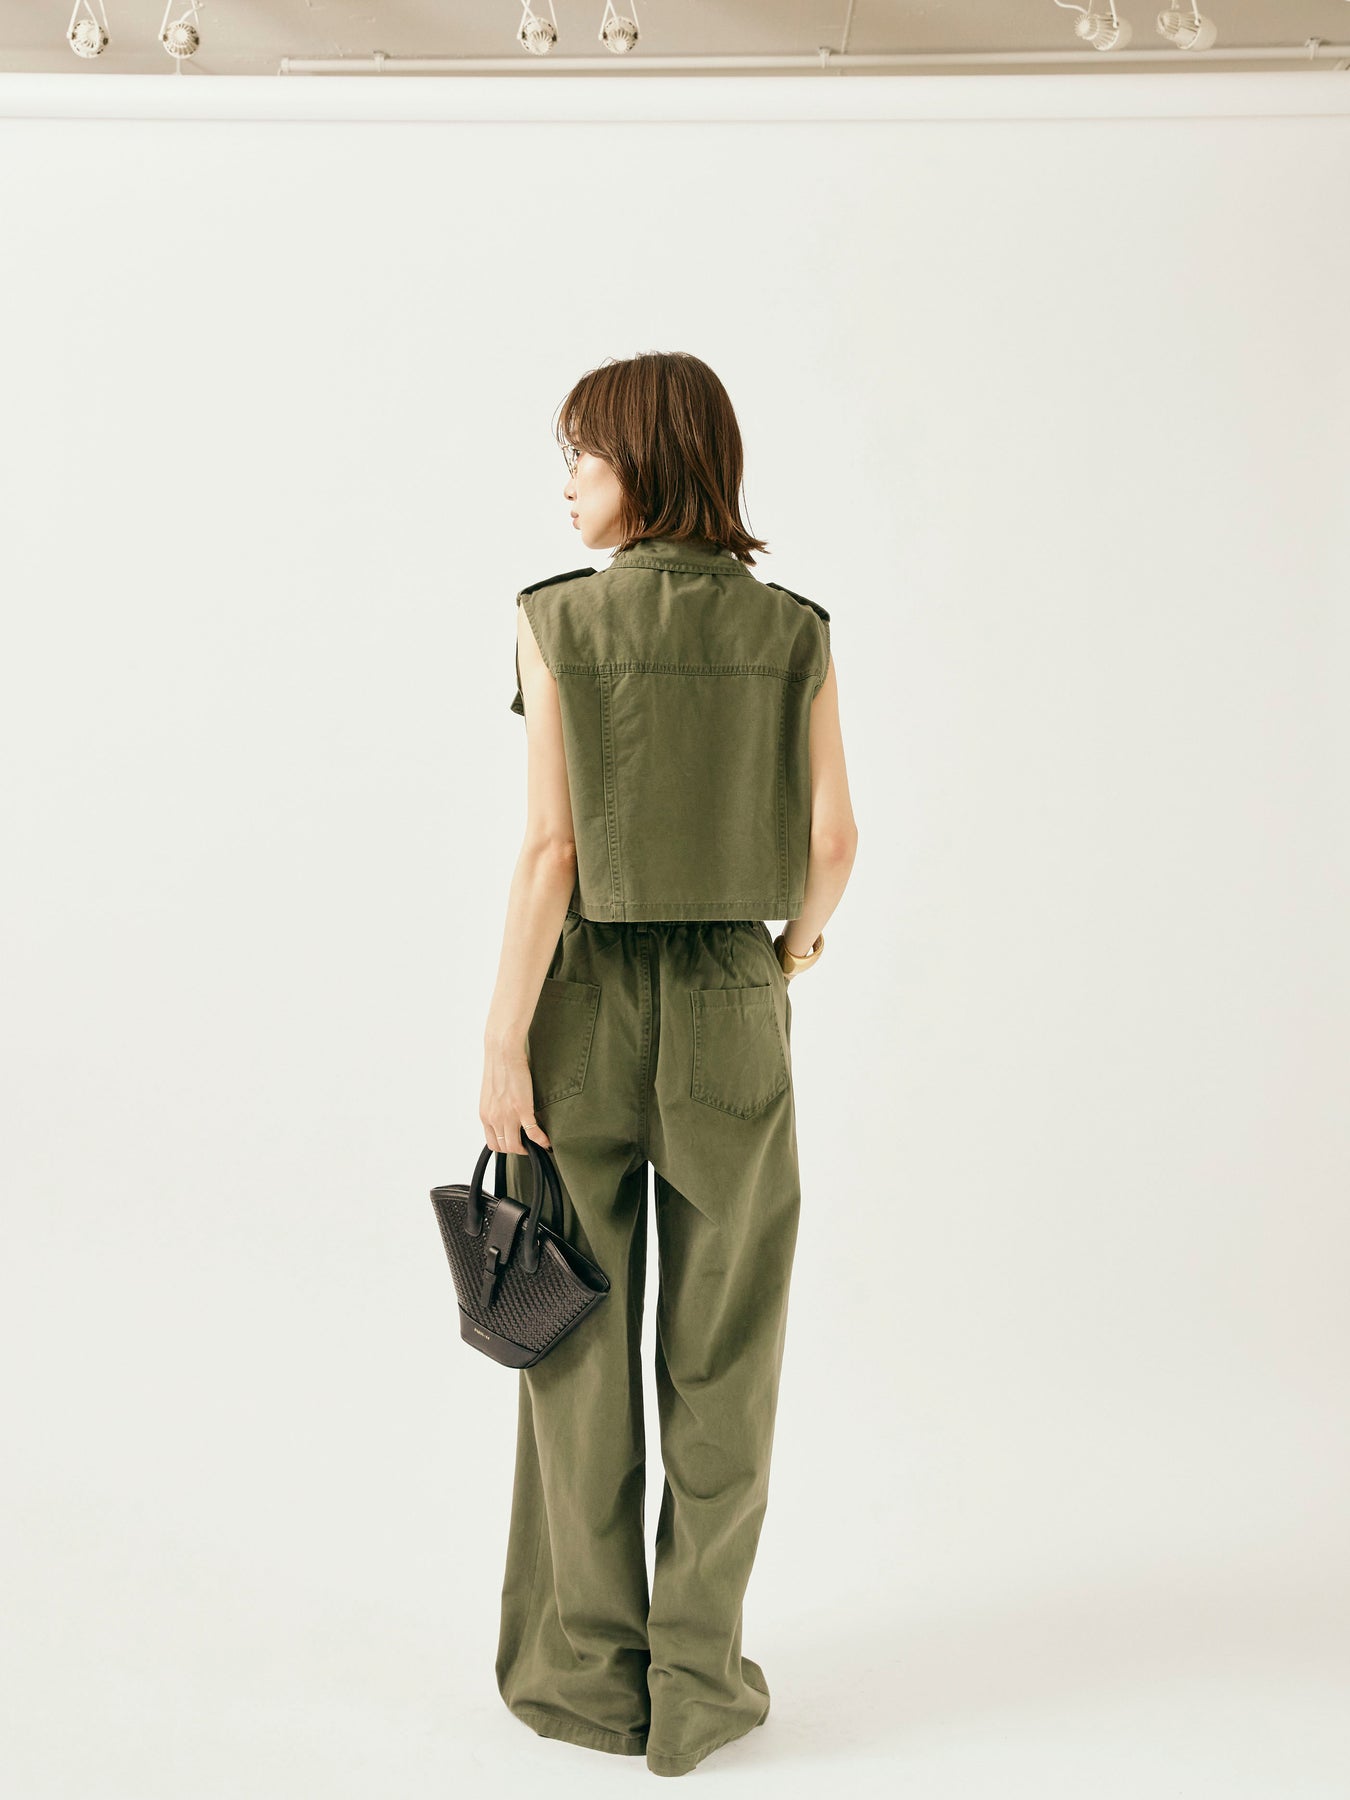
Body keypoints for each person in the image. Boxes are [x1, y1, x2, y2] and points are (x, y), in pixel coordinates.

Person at [479, 350, 859, 1777]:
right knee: (727, 1353)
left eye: (582, 455)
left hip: (580, 1001)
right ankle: (698, 1685)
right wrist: (792, 951)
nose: (568, 483)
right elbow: (833, 842)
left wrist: (501, 1039)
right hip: (728, 998)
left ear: (640, 464)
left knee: (574, 1342)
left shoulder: (555, 620)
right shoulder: (793, 628)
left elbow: (551, 852)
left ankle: (589, 1681)